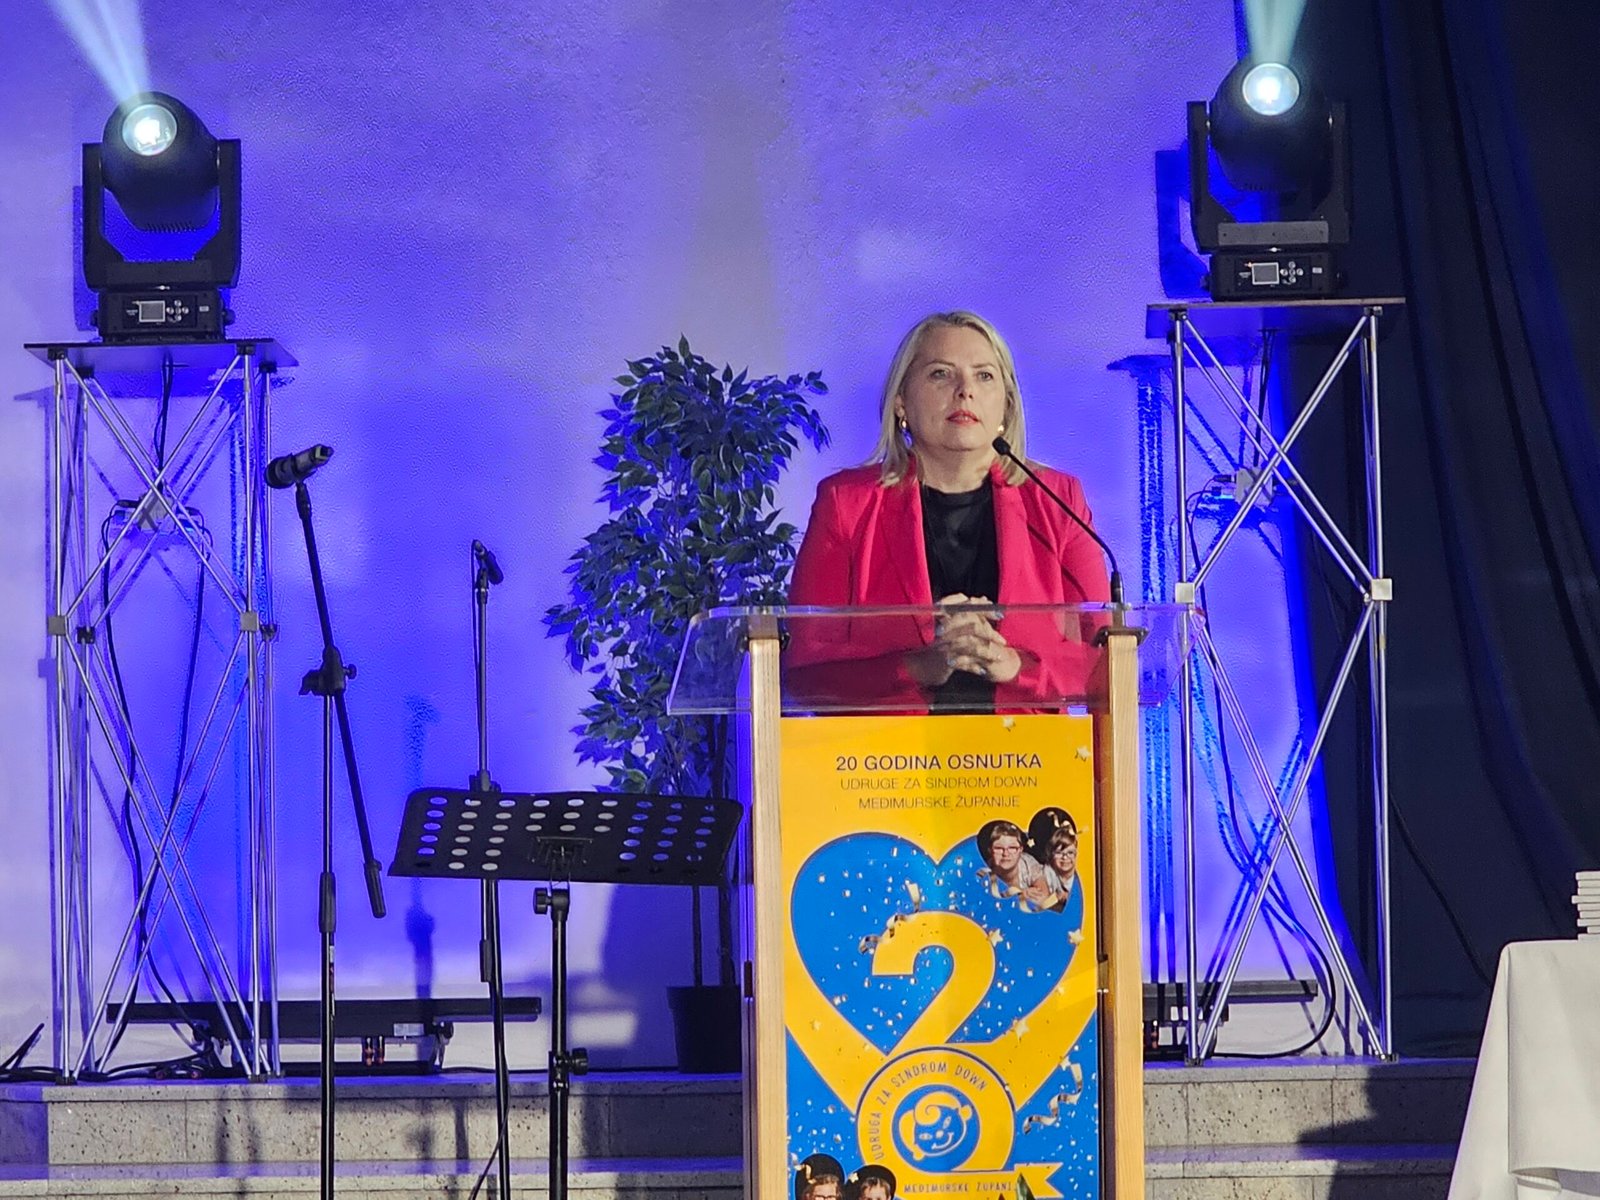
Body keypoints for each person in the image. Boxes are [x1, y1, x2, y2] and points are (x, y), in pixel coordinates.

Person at [786, 310, 1111, 709]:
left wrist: (1013, 666)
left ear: (1006, 407)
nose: (964, 391)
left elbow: (1106, 662)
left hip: (1026, 746)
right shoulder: (845, 504)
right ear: (901, 402)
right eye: (940, 373)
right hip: (887, 749)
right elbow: (805, 671)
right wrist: (920, 667)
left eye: (984, 375)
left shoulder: (1058, 500)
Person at [978, 819, 1059, 907]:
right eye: (999, 848)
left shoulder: (1027, 864)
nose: (1006, 854)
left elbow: (1043, 896)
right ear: (990, 850)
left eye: (1012, 848)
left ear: (1020, 850)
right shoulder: (984, 869)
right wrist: (1020, 895)